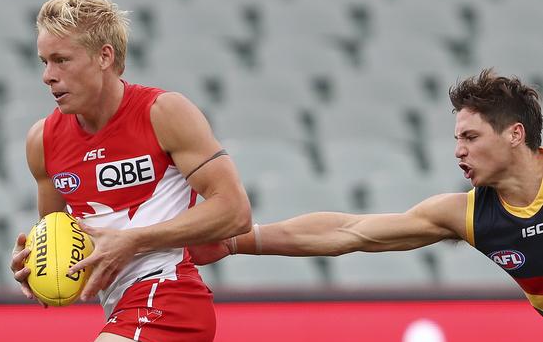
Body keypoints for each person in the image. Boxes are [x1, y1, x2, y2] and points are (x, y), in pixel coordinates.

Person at [8, 0, 252, 342]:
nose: (48, 75)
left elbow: (235, 211)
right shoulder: (42, 141)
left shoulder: (163, 113)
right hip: (120, 309)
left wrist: (134, 240)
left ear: (104, 56)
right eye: (44, 62)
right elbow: (61, 237)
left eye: (61, 60)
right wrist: (40, 270)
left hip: (168, 297)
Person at [189, 68, 543, 317]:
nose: (458, 151)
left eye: (471, 137)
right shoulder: (464, 215)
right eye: (457, 140)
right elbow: (345, 232)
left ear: (514, 134)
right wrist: (233, 243)